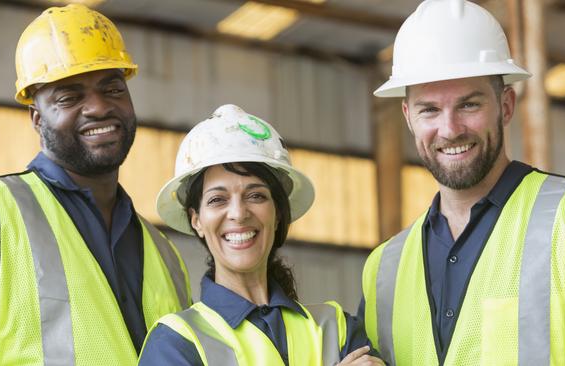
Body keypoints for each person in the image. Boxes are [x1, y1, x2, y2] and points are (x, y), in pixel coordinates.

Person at [359, 0, 565, 365]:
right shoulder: (383, 270)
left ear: (506, 105)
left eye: (469, 105)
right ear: (409, 117)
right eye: (430, 109)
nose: (450, 129)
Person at [0, 4, 191, 366]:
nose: (98, 107)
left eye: (112, 89)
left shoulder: (164, 254)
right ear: (37, 118)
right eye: (69, 97)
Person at [138, 104, 384, 365]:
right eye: (217, 199)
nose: (238, 213)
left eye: (255, 196)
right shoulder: (176, 343)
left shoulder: (337, 327)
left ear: (277, 212)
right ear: (196, 220)